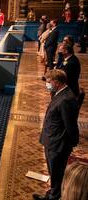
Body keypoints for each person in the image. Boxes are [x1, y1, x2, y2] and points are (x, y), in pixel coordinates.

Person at [33, 70, 79, 200]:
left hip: (57, 143)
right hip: (53, 140)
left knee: (56, 171)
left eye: (49, 81)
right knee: (54, 171)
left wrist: (71, 143)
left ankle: (53, 196)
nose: (47, 84)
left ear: (57, 82)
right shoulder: (61, 93)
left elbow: (70, 125)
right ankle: (53, 192)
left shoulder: (65, 99)